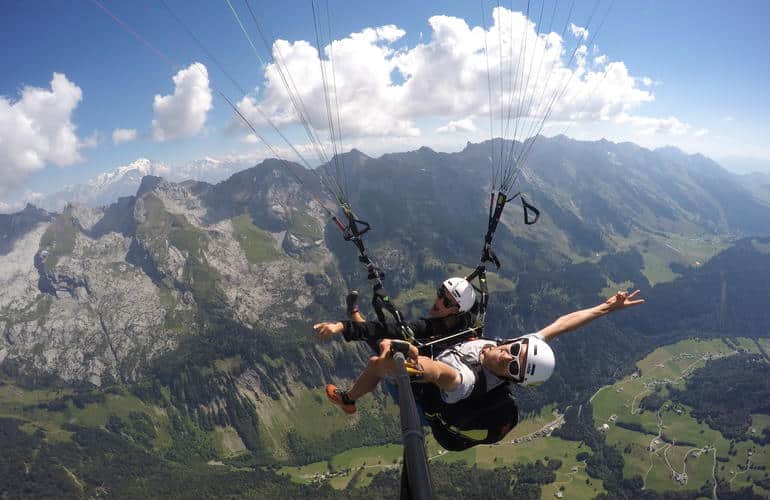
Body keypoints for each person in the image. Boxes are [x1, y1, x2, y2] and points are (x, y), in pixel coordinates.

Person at [314, 285, 644, 423]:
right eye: (514, 350)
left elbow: (441, 375)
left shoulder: (468, 381)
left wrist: (410, 355)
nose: (505, 357)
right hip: (445, 351)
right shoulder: (515, 348)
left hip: (424, 381)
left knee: (378, 360)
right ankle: (356, 319)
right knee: (388, 335)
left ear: (512, 379)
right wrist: (606, 308)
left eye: (511, 367)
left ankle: (349, 400)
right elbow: (561, 324)